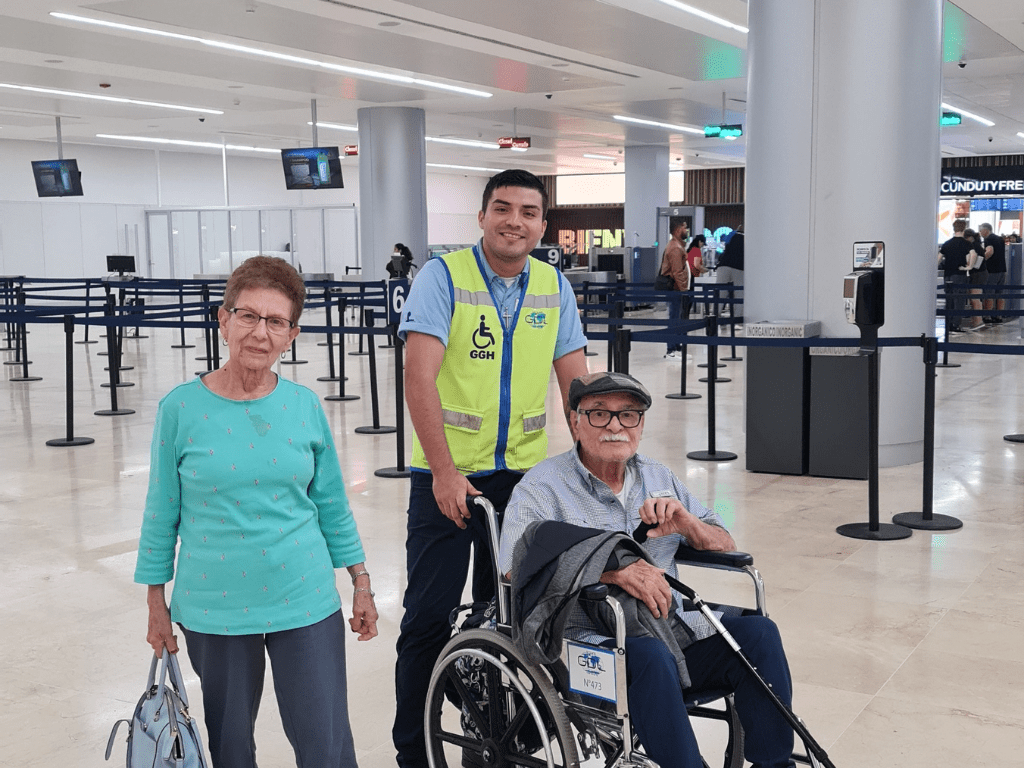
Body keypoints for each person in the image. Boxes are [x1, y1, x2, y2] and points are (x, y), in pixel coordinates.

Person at [135, 256, 378, 768]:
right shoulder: (180, 409)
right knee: (230, 746)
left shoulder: (304, 405)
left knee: (325, 742)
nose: (260, 333)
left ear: (292, 335)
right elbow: (162, 512)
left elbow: (331, 503)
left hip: (305, 599)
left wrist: (360, 581)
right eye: (248, 316)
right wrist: (156, 602)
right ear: (223, 320)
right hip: (213, 607)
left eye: (276, 322)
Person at [499, 371, 796, 768]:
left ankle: (775, 764)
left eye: (629, 415)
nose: (616, 426)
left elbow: (726, 543)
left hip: (669, 628)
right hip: (586, 645)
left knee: (760, 635)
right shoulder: (542, 487)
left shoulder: (659, 477)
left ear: (641, 423)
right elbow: (511, 570)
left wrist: (686, 523)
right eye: (600, 414)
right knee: (651, 657)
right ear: (575, 421)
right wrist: (608, 570)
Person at [393, 168, 589, 768]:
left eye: (529, 212)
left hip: (523, 482)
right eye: (502, 208)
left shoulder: (555, 287)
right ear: (481, 216)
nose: (515, 222)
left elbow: (576, 384)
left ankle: (490, 737)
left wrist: (592, 464)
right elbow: (418, 378)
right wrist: (447, 472)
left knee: (510, 616)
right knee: (429, 615)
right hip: (447, 477)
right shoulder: (442, 277)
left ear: (543, 225)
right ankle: (414, 751)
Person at [658, 220, 691, 359]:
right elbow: (677, 272)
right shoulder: (675, 248)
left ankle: (677, 348)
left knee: (677, 318)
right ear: (678, 230)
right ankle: (671, 350)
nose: (687, 230)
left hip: (678, 289)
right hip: (676, 290)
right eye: (685, 227)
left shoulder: (677, 245)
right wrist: (684, 291)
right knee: (674, 318)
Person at [938, 219, 972, 334]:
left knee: (949, 300)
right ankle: (956, 324)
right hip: (959, 275)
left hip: (947, 275)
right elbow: (973, 255)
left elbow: (938, 258)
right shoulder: (966, 243)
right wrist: (969, 267)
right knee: (959, 300)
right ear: (964, 228)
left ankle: (948, 324)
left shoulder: (947, 243)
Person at [978, 223, 1007, 324]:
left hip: (992, 270)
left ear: (986, 230)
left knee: (989, 293)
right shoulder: (1000, 239)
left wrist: (980, 261)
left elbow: (990, 251)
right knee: (999, 294)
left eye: (981, 231)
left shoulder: (988, 239)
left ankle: (987, 316)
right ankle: (998, 316)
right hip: (1002, 270)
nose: (980, 233)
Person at [963, 228, 985, 331]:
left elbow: (974, 260)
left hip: (978, 274)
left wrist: (968, 265)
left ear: (969, 237)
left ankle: (978, 321)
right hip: (980, 273)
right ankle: (976, 321)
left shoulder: (974, 246)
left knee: (975, 298)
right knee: (976, 298)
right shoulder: (977, 245)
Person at [716, 224, 744, 292]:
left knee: (721, 293)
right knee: (739, 293)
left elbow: (725, 249)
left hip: (724, 264)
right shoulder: (747, 239)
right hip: (739, 267)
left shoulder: (731, 235)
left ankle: (719, 302)